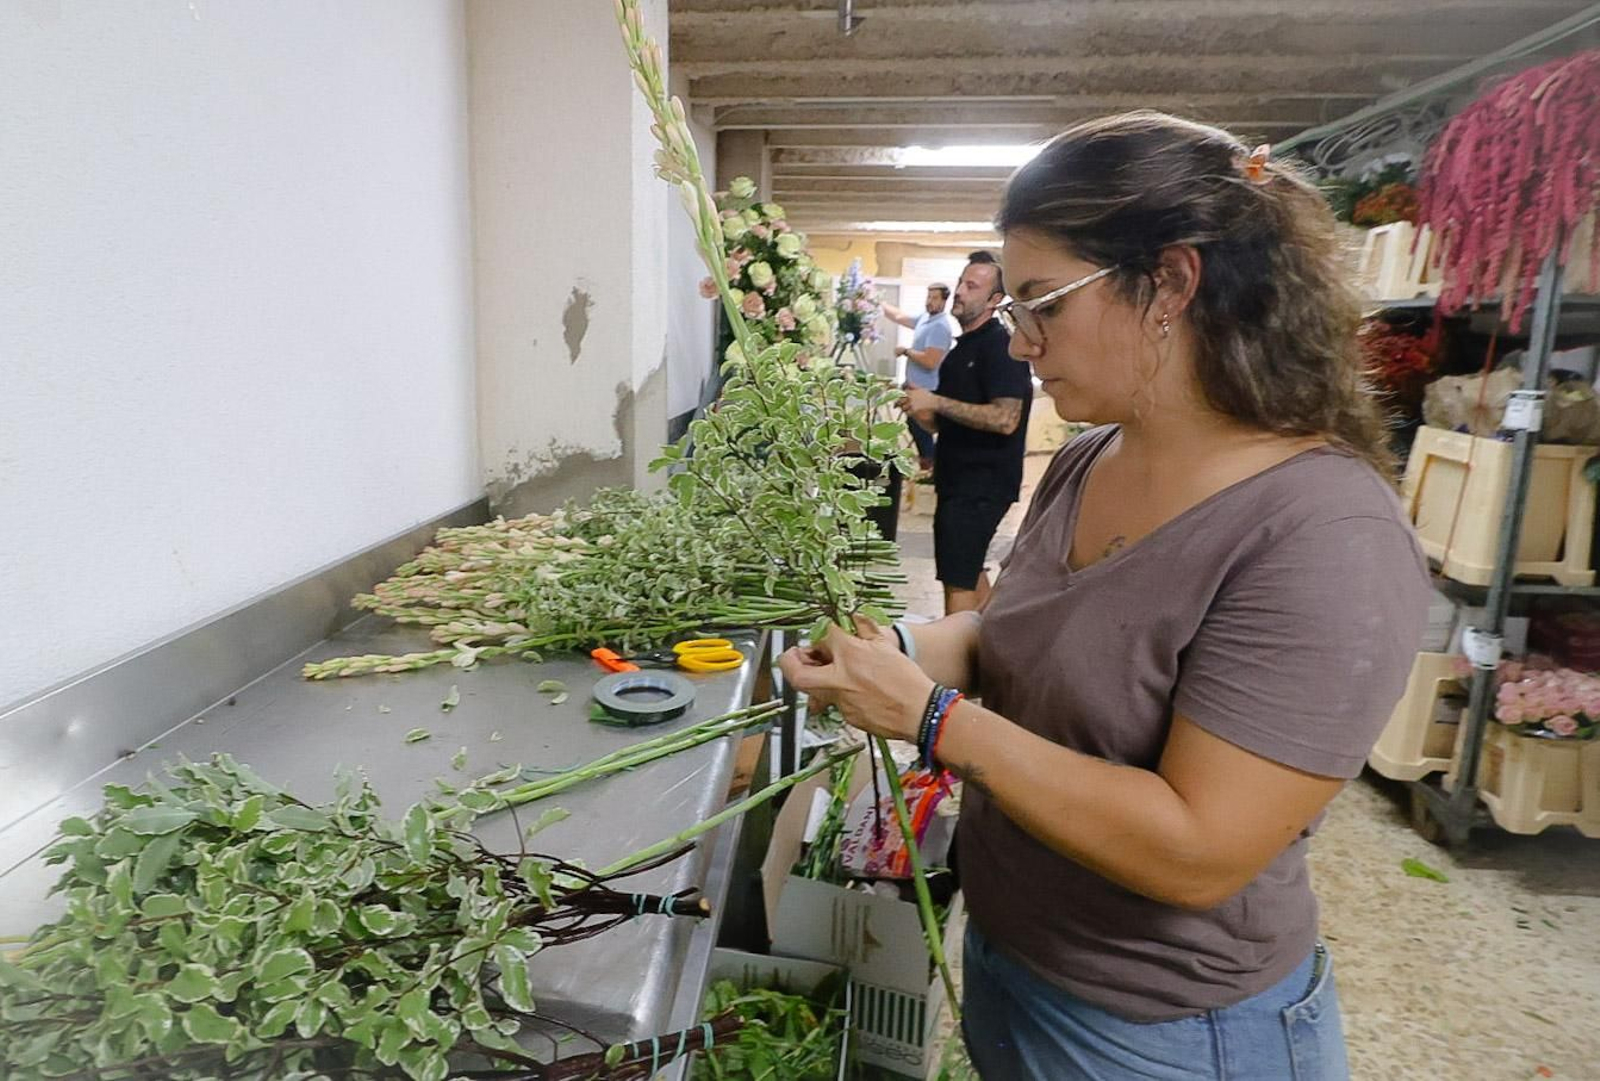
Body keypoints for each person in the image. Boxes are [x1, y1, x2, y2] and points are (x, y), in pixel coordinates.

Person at [779, 112, 1431, 1080]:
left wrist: (931, 719)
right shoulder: (1087, 460)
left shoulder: (1322, 533)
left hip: (1167, 1029)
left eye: (1045, 303)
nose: (1025, 341)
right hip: (1018, 958)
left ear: (1169, 283)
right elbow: (1015, 634)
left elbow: (1196, 848)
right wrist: (902, 650)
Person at [902, 253, 1032, 614]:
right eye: (960, 282)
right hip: (958, 479)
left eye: (971, 286)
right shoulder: (962, 351)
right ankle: (990, 650)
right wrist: (924, 412)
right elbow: (953, 418)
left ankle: (956, 663)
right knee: (968, 569)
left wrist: (938, 403)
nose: (959, 292)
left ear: (995, 300)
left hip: (981, 483)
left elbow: (1006, 418)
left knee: (957, 578)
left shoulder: (1001, 347)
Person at [884, 283, 955, 472]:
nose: (929, 302)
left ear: (944, 301)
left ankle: (931, 468)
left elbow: (931, 361)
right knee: (915, 426)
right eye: (928, 297)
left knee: (922, 429)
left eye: (934, 298)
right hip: (914, 386)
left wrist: (906, 351)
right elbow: (899, 317)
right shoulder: (925, 319)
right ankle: (930, 465)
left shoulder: (940, 327)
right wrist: (876, 302)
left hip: (927, 388)